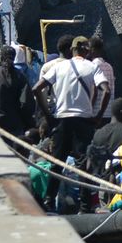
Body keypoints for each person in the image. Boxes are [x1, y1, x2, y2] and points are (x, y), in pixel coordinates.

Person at [35, 36, 102, 208]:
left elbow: (37, 89)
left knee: (57, 163)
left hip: (62, 119)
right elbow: (106, 89)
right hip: (83, 121)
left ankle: (48, 201)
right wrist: (96, 113)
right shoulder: (92, 66)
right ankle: (85, 207)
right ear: (86, 50)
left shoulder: (59, 66)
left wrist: (48, 116)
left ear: (72, 50)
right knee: (82, 165)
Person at [0, 45, 38, 138]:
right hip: (14, 126)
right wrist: (28, 122)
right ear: (14, 57)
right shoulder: (21, 77)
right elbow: (26, 103)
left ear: (1, 57)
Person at [78, 39, 114, 120]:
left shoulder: (93, 66)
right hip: (108, 112)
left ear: (93, 49)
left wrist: (89, 111)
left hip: (96, 113)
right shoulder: (109, 66)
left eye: (88, 47)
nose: (86, 50)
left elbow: (94, 91)